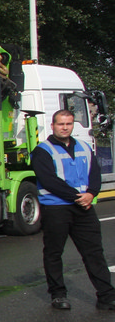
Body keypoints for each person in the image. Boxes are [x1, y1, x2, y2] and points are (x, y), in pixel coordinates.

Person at [31, 109, 115, 311]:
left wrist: (91, 193)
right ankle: (58, 294)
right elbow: (49, 180)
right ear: (53, 125)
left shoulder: (84, 147)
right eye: (61, 124)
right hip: (56, 208)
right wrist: (78, 197)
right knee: (54, 253)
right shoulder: (43, 151)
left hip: (83, 208)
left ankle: (107, 296)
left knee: (94, 252)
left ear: (73, 125)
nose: (65, 127)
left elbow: (94, 173)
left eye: (68, 124)